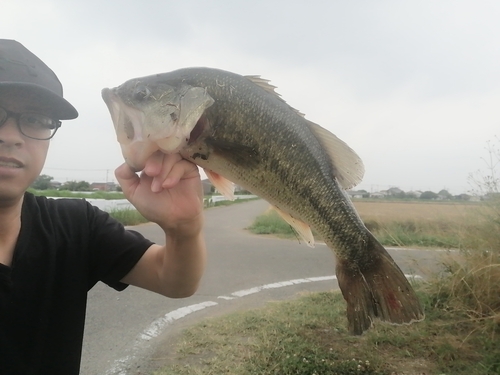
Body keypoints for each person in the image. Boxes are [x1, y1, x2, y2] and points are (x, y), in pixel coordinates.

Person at [0, 39, 206, 374]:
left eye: (36, 118)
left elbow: (174, 282)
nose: (11, 136)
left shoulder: (75, 226)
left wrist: (184, 229)